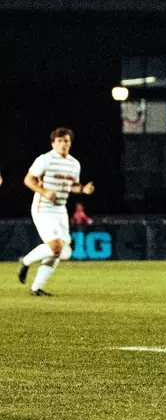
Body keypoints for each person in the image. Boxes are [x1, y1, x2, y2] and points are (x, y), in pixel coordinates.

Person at [18, 127, 95, 297]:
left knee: (61, 252)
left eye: (66, 141)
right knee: (55, 247)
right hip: (43, 208)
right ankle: (26, 261)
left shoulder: (74, 164)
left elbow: (72, 186)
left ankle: (36, 288)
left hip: (60, 209)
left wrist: (83, 189)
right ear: (53, 143)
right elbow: (28, 180)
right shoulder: (45, 159)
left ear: (70, 143)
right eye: (59, 141)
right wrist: (44, 192)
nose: (63, 144)